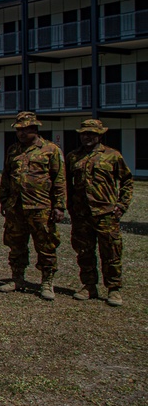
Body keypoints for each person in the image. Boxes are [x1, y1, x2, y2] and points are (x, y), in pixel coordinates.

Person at [0, 112, 65, 300]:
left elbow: (59, 179)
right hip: (16, 207)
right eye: (18, 130)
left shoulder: (50, 150)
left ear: (35, 129)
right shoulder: (13, 150)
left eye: (25, 130)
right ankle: (17, 278)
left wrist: (59, 206)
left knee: (46, 245)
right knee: (16, 244)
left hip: (41, 206)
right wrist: (3, 200)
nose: (21, 133)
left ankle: (47, 282)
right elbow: (6, 176)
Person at [66, 119, 133, 307]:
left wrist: (122, 204)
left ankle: (113, 289)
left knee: (111, 252)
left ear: (99, 135)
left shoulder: (112, 156)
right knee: (84, 252)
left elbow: (127, 180)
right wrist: (69, 208)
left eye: (92, 134)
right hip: (81, 215)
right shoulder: (73, 157)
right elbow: (66, 186)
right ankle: (89, 286)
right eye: (84, 133)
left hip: (106, 214)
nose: (87, 137)